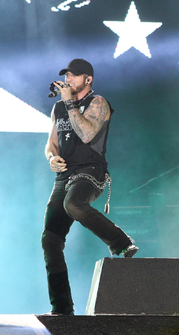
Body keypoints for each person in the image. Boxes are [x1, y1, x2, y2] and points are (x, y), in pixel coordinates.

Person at [41, 58, 137, 316]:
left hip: (90, 171)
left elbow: (86, 134)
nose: (68, 79)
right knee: (50, 240)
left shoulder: (98, 103)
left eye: (74, 75)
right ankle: (62, 308)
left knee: (73, 204)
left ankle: (120, 242)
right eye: (66, 75)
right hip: (65, 174)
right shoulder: (59, 107)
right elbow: (51, 143)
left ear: (88, 79)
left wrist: (70, 103)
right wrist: (52, 158)